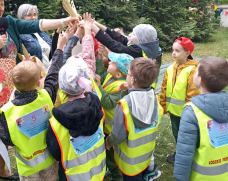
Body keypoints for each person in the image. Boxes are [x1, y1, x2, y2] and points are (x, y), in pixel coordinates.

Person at [0, 0, 77, 181]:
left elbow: (37, 25)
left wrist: (65, 20)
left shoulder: (9, 23)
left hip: (12, 88)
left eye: (2, 4)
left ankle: (1, 170)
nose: (0, 9)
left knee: (3, 130)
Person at [0, 30, 71, 180]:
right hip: (49, 161)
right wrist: (60, 47)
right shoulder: (46, 96)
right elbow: (53, 73)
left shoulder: (8, 111)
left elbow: (5, 137)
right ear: (38, 83)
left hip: (28, 167)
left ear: (13, 83)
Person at [174, 57, 228, 181]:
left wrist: (181, 178)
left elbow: (185, 152)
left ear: (200, 80)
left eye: (196, 71)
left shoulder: (191, 112)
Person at [46, 56, 106, 181]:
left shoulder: (57, 120)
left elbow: (55, 151)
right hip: (98, 167)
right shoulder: (96, 105)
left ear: (62, 87)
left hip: (73, 175)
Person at [106, 57, 163, 181]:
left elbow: (118, 135)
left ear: (132, 79)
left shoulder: (124, 105)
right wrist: (129, 88)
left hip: (129, 161)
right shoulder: (155, 99)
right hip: (146, 154)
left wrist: (109, 142)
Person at [160, 37, 200, 163]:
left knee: (187, 135)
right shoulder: (170, 68)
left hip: (186, 113)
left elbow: (193, 92)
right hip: (174, 111)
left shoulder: (192, 70)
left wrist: (190, 111)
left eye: (177, 51)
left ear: (187, 53)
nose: (173, 53)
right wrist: (163, 105)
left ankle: (188, 155)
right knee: (177, 134)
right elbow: (164, 88)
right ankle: (181, 153)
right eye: (173, 50)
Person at [95, 49, 134, 181]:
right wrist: (100, 59)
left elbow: (108, 103)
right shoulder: (111, 77)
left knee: (112, 157)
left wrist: (98, 87)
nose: (109, 62)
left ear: (118, 74)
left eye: (112, 63)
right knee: (108, 155)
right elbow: (101, 74)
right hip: (106, 127)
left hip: (111, 131)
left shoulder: (120, 88)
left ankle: (117, 176)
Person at [92, 22, 162, 90]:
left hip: (139, 89)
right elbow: (119, 38)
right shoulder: (148, 47)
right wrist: (96, 24)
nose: (129, 34)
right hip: (143, 87)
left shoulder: (138, 52)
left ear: (141, 39)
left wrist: (93, 27)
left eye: (134, 34)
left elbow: (114, 45)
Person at [17, 4, 53, 69]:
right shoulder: (20, 35)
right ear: (21, 17)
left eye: (35, 14)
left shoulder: (43, 34)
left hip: (47, 74)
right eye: (29, 15)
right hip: (31, 75)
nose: (33, 18)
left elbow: (53, 54)